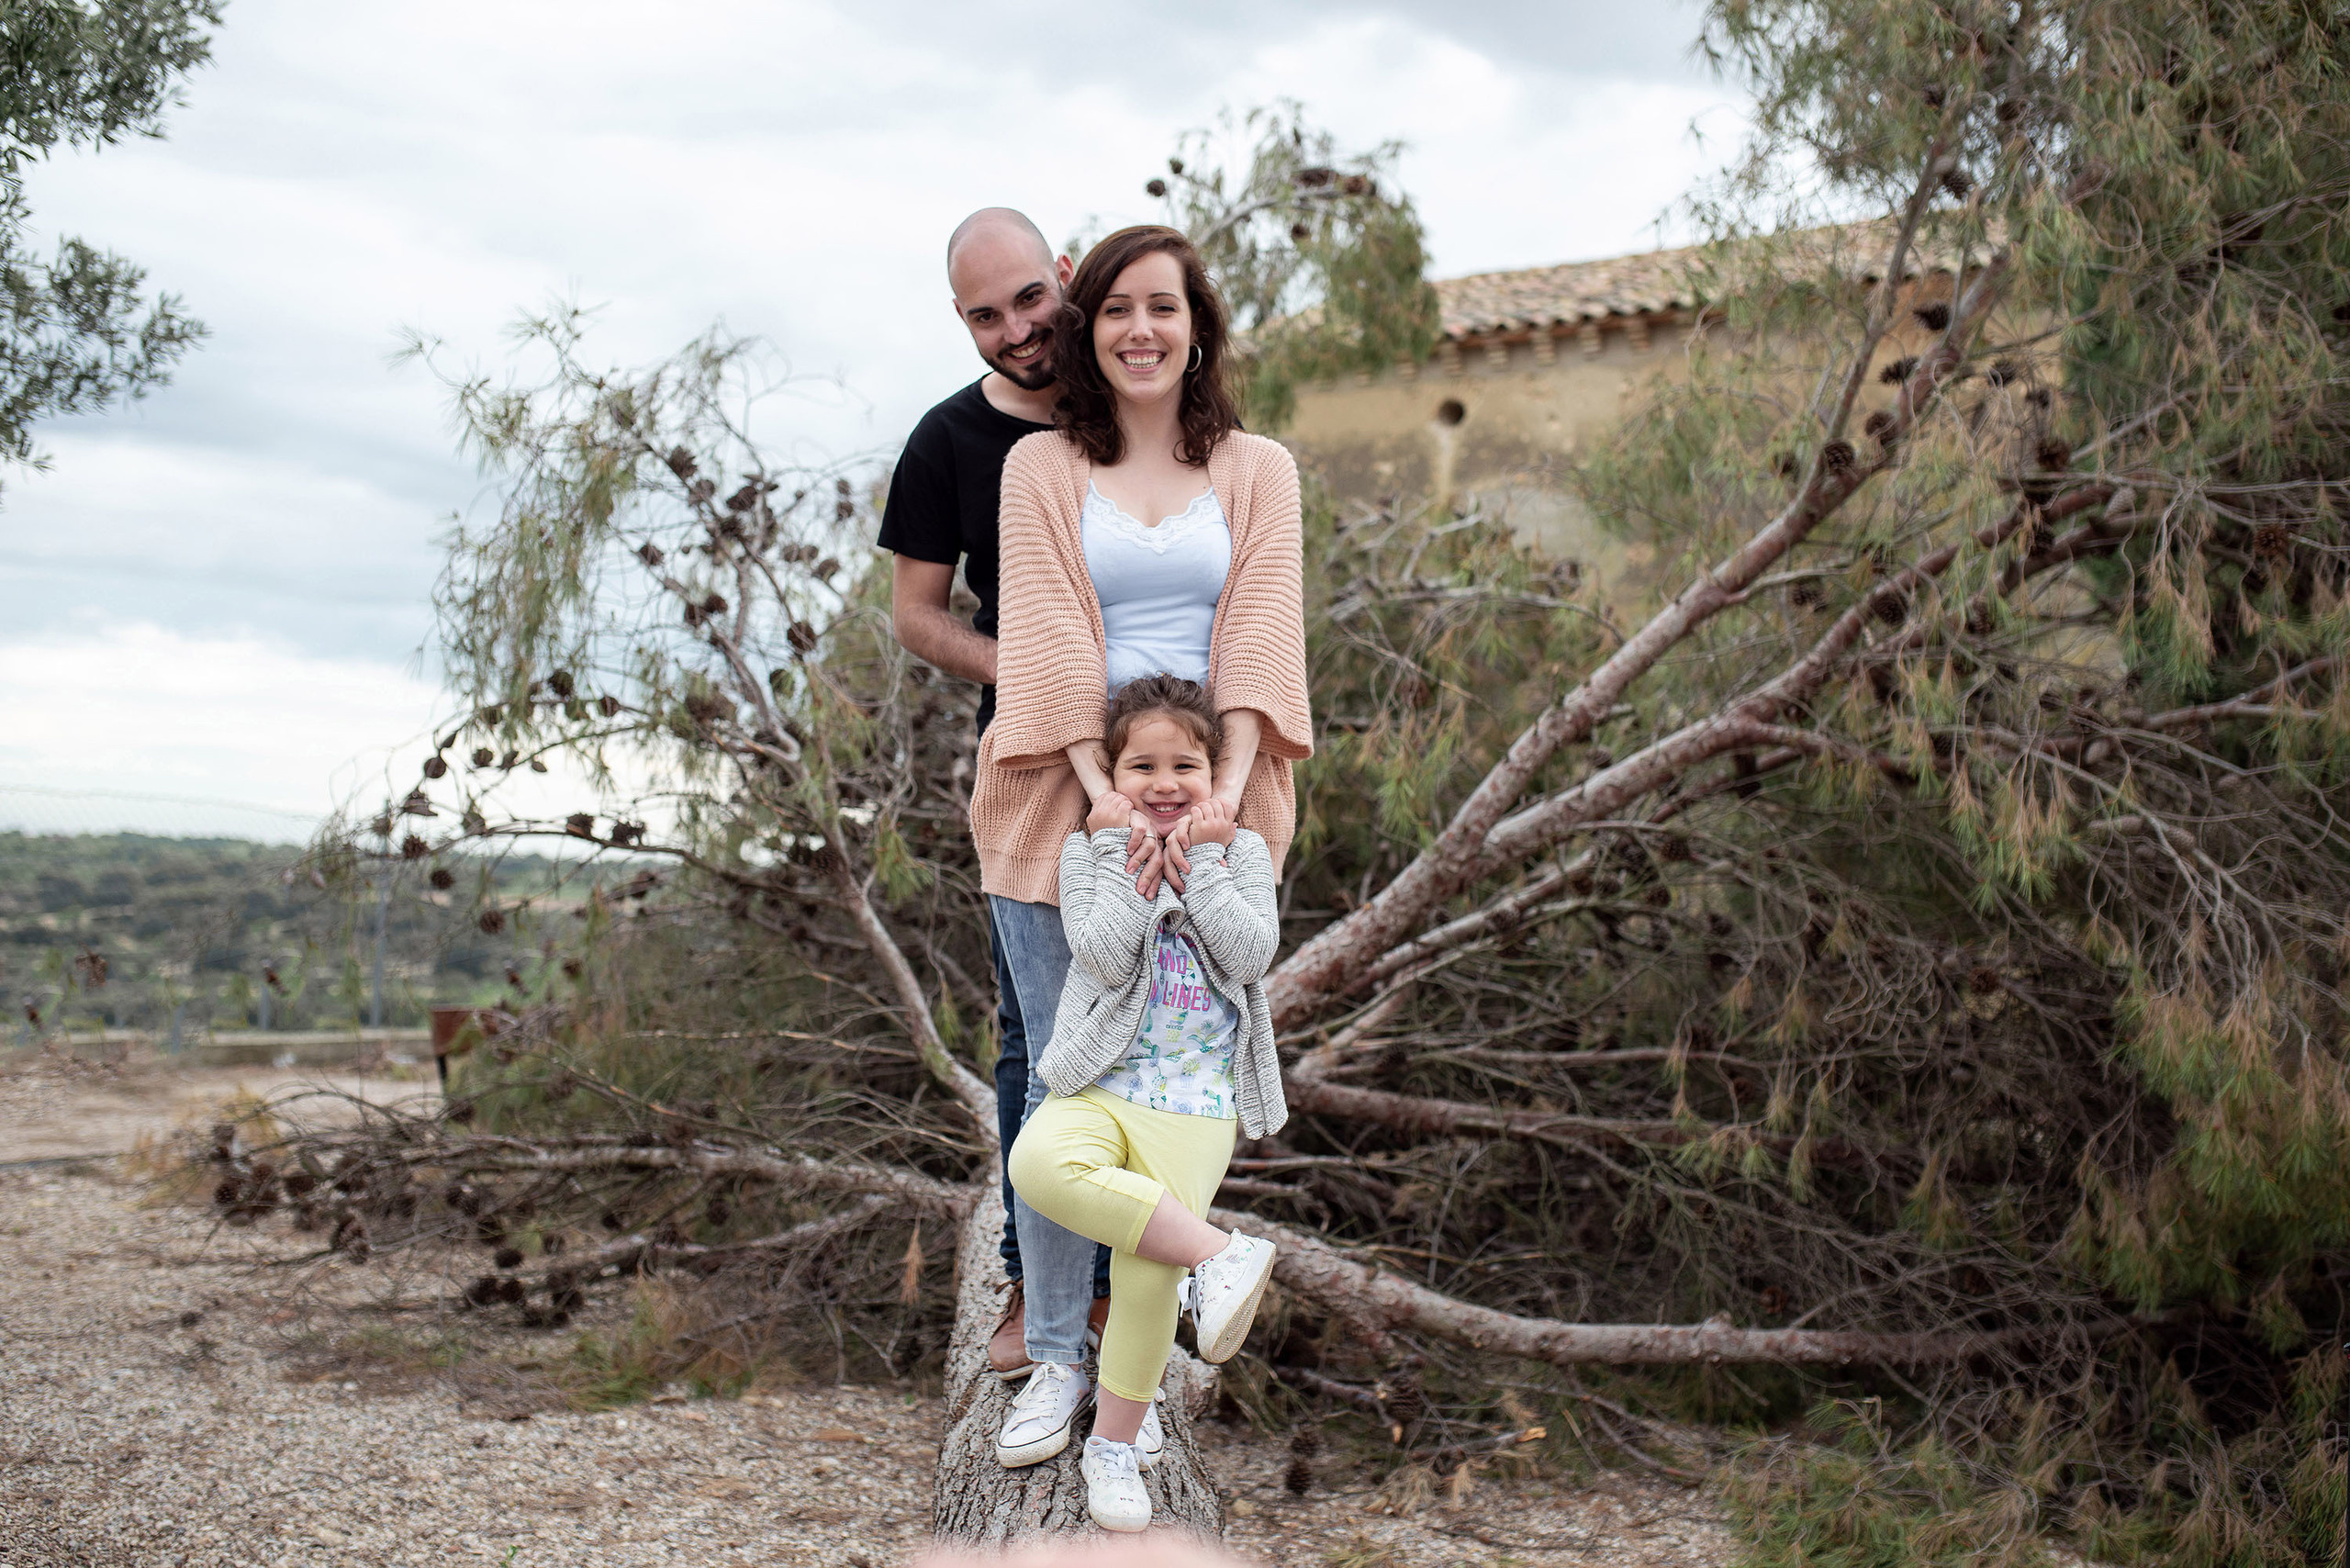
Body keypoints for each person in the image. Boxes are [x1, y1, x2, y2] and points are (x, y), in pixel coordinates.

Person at [972, 224, 1313, 1478]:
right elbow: (1048, 643)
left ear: (1197, 324)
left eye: (1163, 308)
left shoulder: (1261, 470)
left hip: (1212, 799)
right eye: (1115, 309)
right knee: (1069, 1093)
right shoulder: (1042, 471)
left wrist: (1219, 798)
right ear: (1086, 328)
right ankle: (1054, 1350)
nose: (1140, 331)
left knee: (1168, 1100)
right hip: (1067, 801)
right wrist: (1100, 802)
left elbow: (1264, 634)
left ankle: (1134, 1387)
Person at [877, 207, 1112, 1383]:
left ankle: (1141, 1273)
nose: (1016, 329)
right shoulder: (947, 441)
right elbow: (918, 614)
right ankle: (1036, 1283)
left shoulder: (1135, 397)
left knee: (1166, 1022)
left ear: (1064, 276)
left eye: (1028, 298)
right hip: (1026, 769)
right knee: (1038, 1035)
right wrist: (1019, 663)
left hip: (1162, 761)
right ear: (960, 321)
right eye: (985, 314)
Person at [1007, 676, 1286, 1533]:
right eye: (1142, 767)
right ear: (1113, 775)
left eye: (1185, 766)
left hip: (1197, 1102)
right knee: (1037, 1161)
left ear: (1213, 774)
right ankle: (1219, 1255)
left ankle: (1116, 1446)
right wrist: (1132, 871)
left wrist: (1200, 862)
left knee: (1144, 1274)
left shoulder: (1239, 851)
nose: (1164, 785)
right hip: (1102, 1079)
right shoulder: (1089, 851)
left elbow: (1250, 953)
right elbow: (1098, 953)